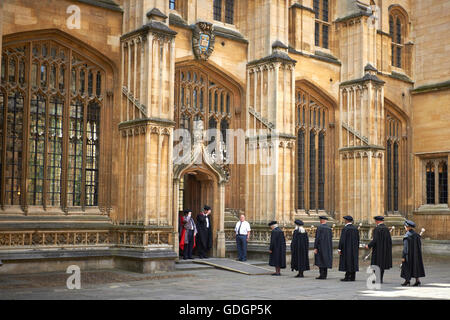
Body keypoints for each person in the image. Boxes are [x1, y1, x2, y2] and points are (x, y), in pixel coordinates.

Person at [365, 216, 392, 283]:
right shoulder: (386, 229)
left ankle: (377, 278)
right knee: (382, 265)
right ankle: (380, 279)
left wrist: (369, 245)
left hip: (378, 250)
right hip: (385, 250)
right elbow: (389, 241)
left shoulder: (377, 229)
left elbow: (375, 240)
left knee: (376, 264)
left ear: (377, 221)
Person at [401, 220, 425, 287]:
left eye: (405, 226)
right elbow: (419, 245)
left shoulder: (407, 236)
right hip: (416, 255)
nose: (405, 227)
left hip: (408, 255)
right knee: (415, 267)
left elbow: (405, 248)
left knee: (406, 267)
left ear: (408, 227)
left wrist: (403, 257)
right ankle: (417, 281)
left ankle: (407, 281)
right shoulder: (417, 235)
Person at [338, 216, 360, 281]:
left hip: (346, 249)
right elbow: (358, 239)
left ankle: (347, 277)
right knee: (353, 261)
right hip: (354, 249)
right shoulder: (355, 229)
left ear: (347, 221)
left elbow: (342, 240)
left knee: (347, 262)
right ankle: (353, 276)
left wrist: (339, 248)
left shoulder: (345, 228)